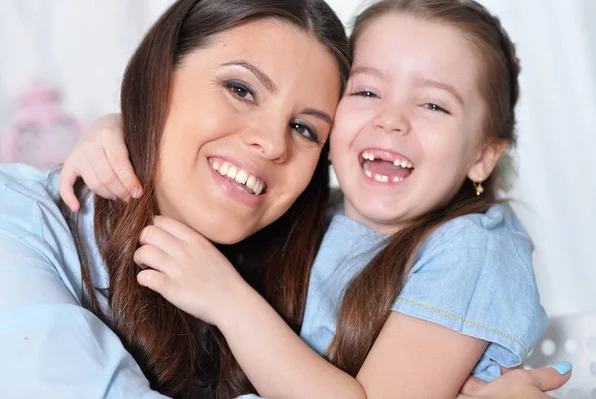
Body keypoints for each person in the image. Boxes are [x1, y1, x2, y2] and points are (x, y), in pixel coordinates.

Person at [58, 0, 574, 398]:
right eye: (367, 93)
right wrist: (121, 128)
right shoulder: (314, 214)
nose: (391, 119)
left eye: (434, 104)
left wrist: (228, 301)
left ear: (484, 156)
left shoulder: (474, 251)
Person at [0, 0, 349, 398]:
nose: (272, 144)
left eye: (304, 129)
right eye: (241, 90)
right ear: (158, 78)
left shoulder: (323, 256)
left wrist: (236, 306)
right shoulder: (17, 222)